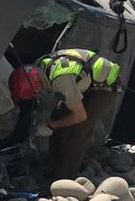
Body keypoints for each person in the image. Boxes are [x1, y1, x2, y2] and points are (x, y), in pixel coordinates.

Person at [8, 49, 121, 180]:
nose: (37, 96)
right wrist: (54, 123)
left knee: (79, 129)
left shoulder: (60, 81)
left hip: (105, 85)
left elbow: (80, 116)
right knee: (59, 117)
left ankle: (65, 178)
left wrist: (51, 126)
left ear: (37, 88)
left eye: (34, 94)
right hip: (84, 81)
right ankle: (53, 167)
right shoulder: (37, 67)